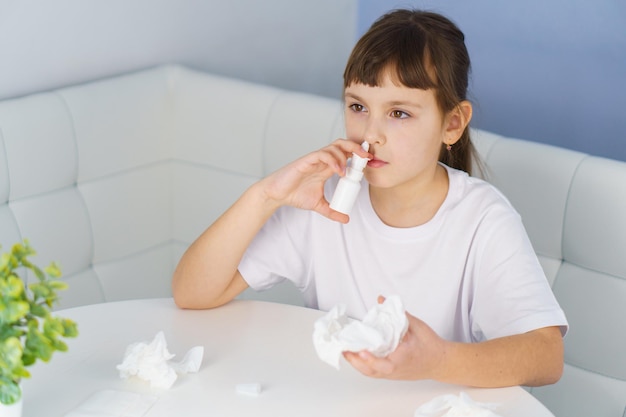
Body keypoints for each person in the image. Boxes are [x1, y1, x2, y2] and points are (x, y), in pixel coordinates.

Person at [172, 9, 567, 388]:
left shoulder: (482, 219)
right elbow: (192, 293)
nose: (370, 133)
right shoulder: (322, 203)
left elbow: (546, 356)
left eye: (399, 113)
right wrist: (266, 196)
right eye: (358, 107)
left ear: (452, 123)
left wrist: (438, 360)